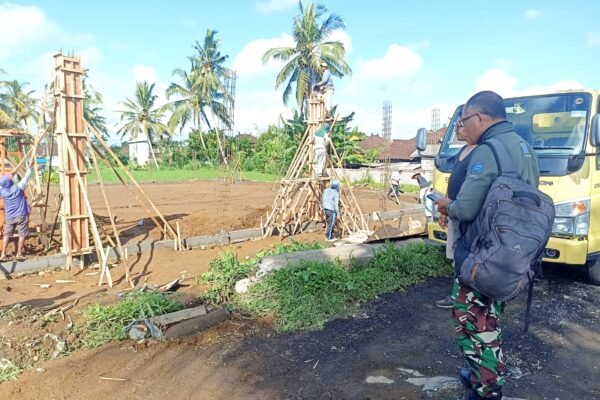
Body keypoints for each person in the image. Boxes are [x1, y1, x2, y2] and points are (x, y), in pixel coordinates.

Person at [435, 91, 539, 400]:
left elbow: (466, 208)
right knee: (487, 317)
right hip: (514, 253)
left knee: (473, 320)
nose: (464, 126)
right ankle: (479, 374)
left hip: (484, 254)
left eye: (465, 120)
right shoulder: (525, 147)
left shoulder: (487, 150)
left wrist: (447, 205)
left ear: (480, 118)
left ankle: (487, 389)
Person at [435, 123, 477, 308]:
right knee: (456, 254)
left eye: (460, 125)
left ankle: (465, 297)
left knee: (466, 255)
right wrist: (445, 207)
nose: (457, 130)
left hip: (466, 214)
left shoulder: (481, 152)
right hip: (453, 210)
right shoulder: (463, 151)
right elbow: (453, 181)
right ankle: (458, 295)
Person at [0, 159, 34, 262]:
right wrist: (30, 167)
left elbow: (2, 183)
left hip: (9, 216)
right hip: (21, 215)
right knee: (22, 234)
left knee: (7, 235)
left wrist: (9, 176)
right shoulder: (18, 187)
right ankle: (19, 254)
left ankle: (3, 254)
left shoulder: (2, 191)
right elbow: (27, 177)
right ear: (10, 182)